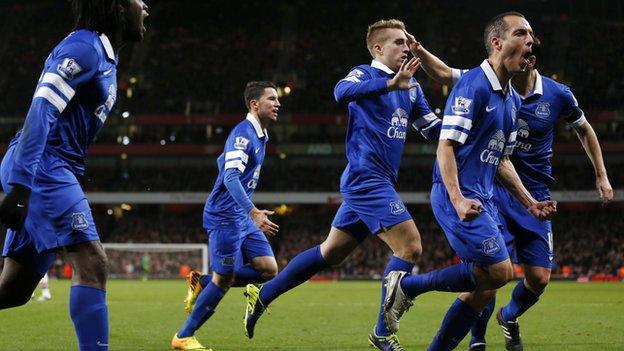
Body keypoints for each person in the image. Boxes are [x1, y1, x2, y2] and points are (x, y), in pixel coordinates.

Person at [406, 32, 613, 351]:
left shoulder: (557, 94)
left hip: (532, 189)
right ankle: (477, 339)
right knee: (491, 272)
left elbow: (584, 129)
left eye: (526, 49)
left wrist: (601, 175)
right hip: (493, 188)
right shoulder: (489, 81)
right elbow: (447, 74)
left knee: (539, 278)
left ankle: (509, 316)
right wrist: (420, 51)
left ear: (530, 62)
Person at [243, 19, 441, 351]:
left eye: (407, 43)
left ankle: (264, 293)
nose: (406, 48)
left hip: (377, 181)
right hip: (367, 179)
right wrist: (391, 85)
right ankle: (382, 331)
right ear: (378, 48)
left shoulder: (413, 87)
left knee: (330, 253)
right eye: (398, 42)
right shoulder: (366, 75)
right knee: (410, 247)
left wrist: (468, 128)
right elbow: (340, 91)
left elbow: (432, 128)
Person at [382, 12, 558, 351]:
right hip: (457, 195)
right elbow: (445, 146)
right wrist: (459, 198)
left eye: (531, 35)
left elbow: (502, 160)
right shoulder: (474, 85)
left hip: (485, 196)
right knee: (499, 273)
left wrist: (529, 202)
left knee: (484, 290)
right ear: (497, 43)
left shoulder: (509, 98)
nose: (530, 41)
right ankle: (409, 287)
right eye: (521, 33)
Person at [0, 1, 148, 350]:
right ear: (115, 7)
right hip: (43, 165)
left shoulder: (106, 56)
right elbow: (42, 107)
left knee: (15, 290)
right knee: (92, 262)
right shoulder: (84, 46)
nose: (144, 6)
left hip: (50, 167)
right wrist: (22, 183)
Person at [171, 81, 281, 351]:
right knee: (225, 280)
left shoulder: (260, 135)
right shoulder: (243, 134)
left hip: (241, 216)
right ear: (255, 104)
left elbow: (224, 164)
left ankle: (202, 281)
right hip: (225, 217)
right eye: (272, 99)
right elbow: (230, 175)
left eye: (278, 99)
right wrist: (253, 211)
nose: (278, 103)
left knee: (268, 269)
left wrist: (248, 211)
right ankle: (183, 336)